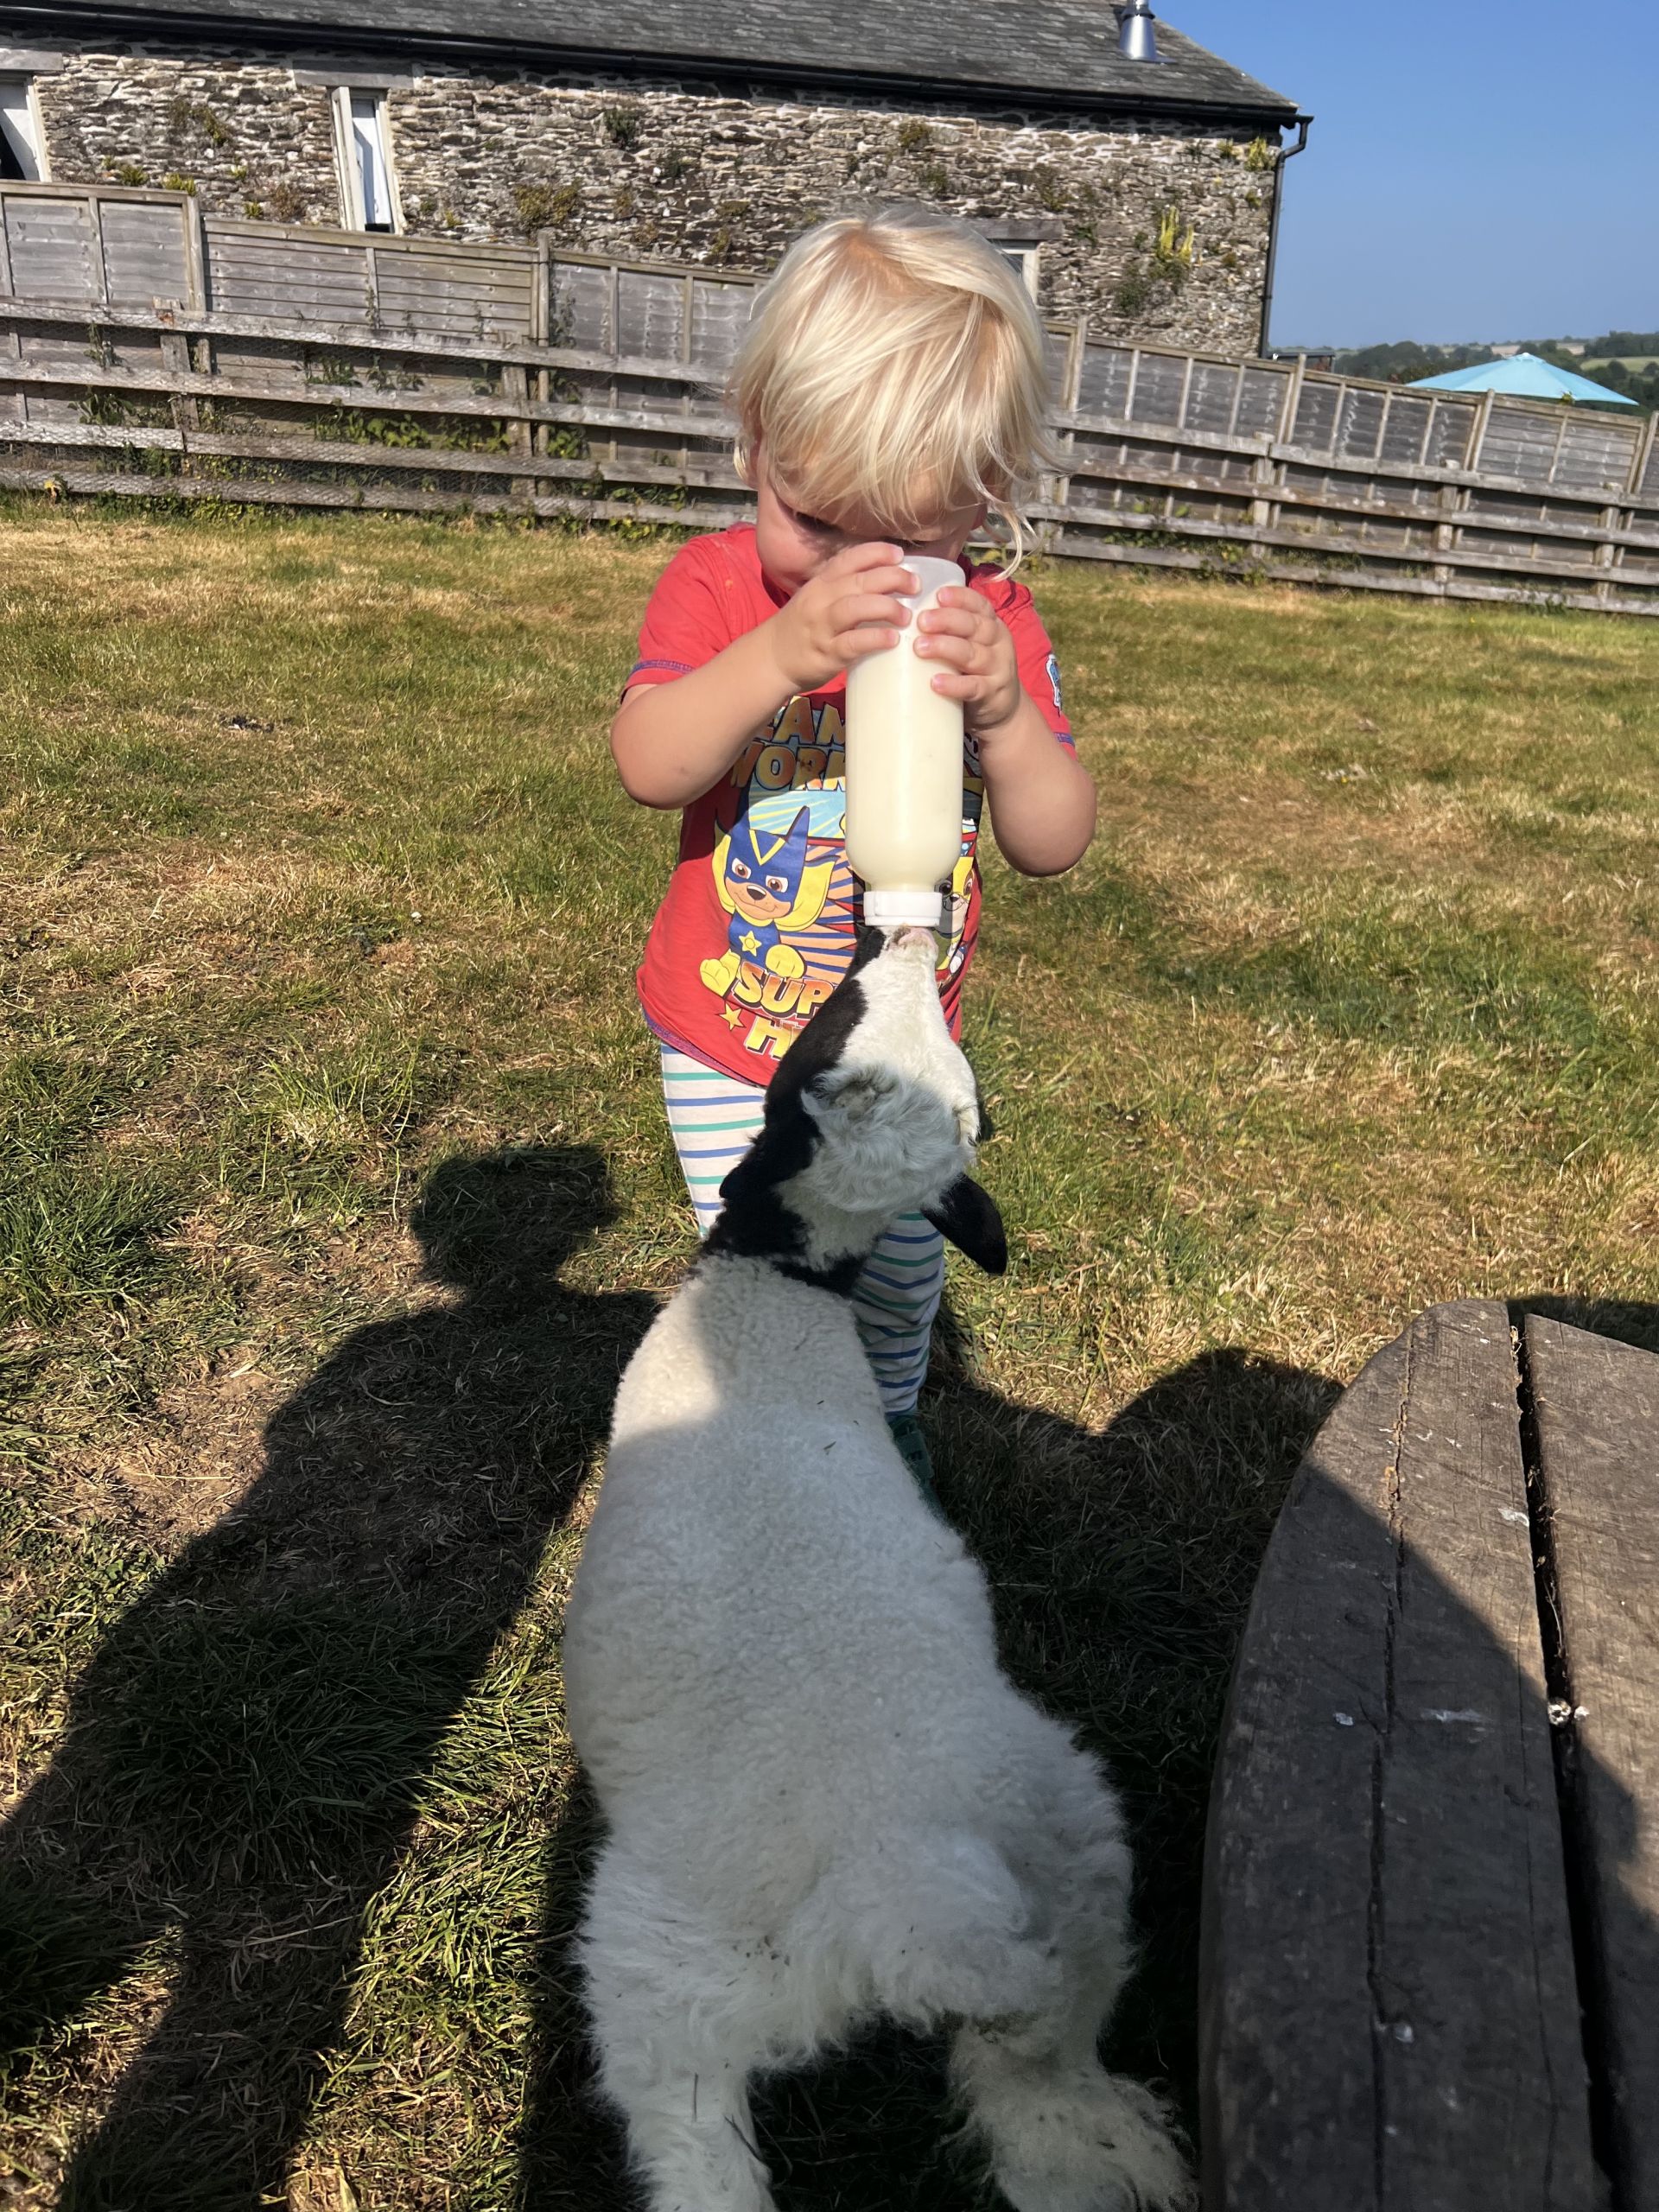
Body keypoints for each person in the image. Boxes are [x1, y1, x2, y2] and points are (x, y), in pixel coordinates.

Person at [611, 205, 1095, 1496]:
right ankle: (756, 1446)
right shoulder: (720, 589)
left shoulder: (987, 617)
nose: (859, 572)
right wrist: (776, 654)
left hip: (896, 1043)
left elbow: (1053, 840)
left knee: (899, 1270)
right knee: (764, 1263)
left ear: (982, 506)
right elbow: (652, 762)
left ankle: (881, 1429)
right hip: (731, 1029)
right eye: (818, 523)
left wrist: (1000, 713)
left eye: (914, 541)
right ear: (751, 437)